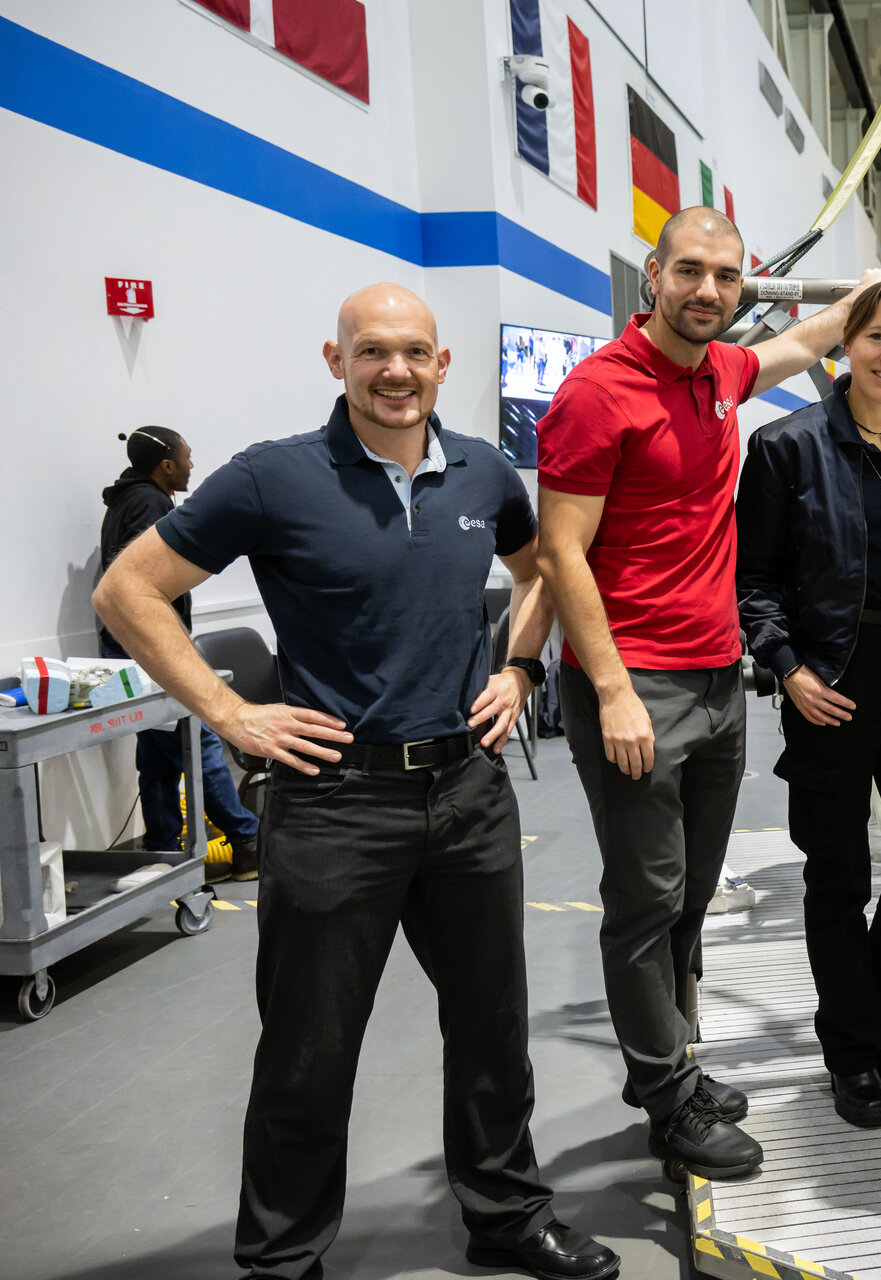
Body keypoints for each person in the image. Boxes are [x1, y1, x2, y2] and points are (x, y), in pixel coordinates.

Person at [93, 284, 616, 1280]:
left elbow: (542, 567)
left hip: (467, 794)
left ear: (443, 363)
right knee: (310, 1046)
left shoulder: (484, 472)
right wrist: (230, 712)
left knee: (492, 1024)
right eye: (372, 351)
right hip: (336, 801)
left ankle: (507, 1213)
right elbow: (127, 590)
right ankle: (282, 1258)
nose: (396, 371)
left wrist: (519, 667)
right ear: (337, 361)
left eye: (415, 351)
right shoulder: (272, 477)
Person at [536, 204, 881, 1179]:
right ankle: (669, 1097)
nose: (707, 290)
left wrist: (874, 297)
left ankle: (673, 1062)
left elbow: (802, 344)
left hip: (715, 679)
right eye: (690, 270)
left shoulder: (720, 374)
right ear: (652, 275)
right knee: (644, 902)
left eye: (726, 277)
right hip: (635, 684)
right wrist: (612, 689)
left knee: (692, 896)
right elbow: (560, 552)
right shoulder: (597, 393)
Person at [736, 281, 881, 1129]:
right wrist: (787, 669)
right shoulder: (785, 445)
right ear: (845, 344)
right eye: (875, 337)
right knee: (838, 874)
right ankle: (852, 1052)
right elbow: (754, 579)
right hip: (829, 675)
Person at [97, 425, 261, 879]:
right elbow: (145, 588)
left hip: (124, 649)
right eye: (187, 458)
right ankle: (247, 841)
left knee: (156, 754)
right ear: (166, 465)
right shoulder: (150, 504)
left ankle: (161, 850)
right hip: (147, 649)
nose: (192, 465)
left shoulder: (123, 502)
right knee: (199, 744)